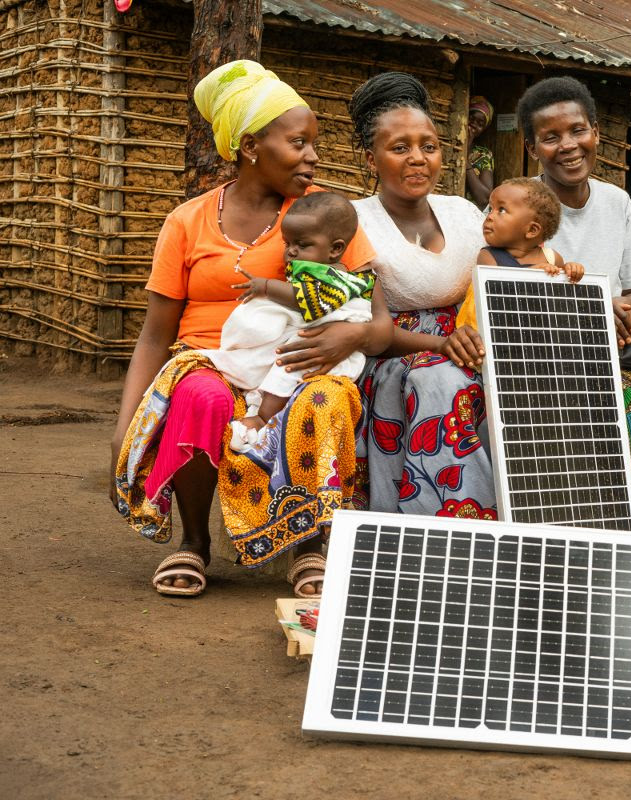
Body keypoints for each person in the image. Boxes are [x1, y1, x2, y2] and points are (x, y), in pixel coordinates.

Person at [111, 60, 382, 598]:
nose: (312, 155)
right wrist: (125, 426)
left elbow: (375, 316)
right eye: (299, 142)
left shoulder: (325, 217)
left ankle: (309, 547)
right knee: (200, 393)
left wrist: (351, 337)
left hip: (297, 360)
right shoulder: (186, 221)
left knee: (323, 399)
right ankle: (192, 542)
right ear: (251, 146)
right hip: (210, 357)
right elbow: (154, 334)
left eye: (314, 143)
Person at [348, 72, 497, 519]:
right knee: (440, 380)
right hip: (393, 360)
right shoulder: (353, 223)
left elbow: (508, 275)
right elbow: (359, 327)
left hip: (472, 345)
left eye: (428, 146)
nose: (418, 159)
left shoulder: (466, 213)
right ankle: (458, 527)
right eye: (400, 148)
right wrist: (440, 344)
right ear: (371, 158)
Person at [515, 76, 631, 478]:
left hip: (604, 351)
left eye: (578, 130)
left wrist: (610, 308)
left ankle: (627, 511)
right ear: (532, 149)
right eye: (550, 137)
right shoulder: (513, 205)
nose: (568, 145)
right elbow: (502, 293)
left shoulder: (617, 202)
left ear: (596, 133)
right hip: (536, 354)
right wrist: (593, 308)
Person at [201, 192, 385, 451]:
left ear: (336, 249)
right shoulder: (317, 268)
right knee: (282, 356)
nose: (291, 251)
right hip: (316, 337)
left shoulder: (339, 280)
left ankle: (264, 417)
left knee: (289, 364)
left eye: (302, 244)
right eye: (287, 243)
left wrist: (266, 287)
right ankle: (259, 403)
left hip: (328, 346)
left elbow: (310, 301)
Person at [450, 177, 583, 369]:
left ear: (531, 230)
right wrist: (530, 276)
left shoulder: (553, 258)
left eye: (501, 210)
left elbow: (562, 301)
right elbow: (499, 296)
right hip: (490, 342)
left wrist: (571, 271)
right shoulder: (488, 256)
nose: (490, 215)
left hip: (531, 341)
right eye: (491, 208)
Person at [465, 95, 495, 207]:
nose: (474, 124)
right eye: (471, 118)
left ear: (483, 130)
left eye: (480, 123)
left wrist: (465, 155)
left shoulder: (484, 155)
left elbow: (484, 199)